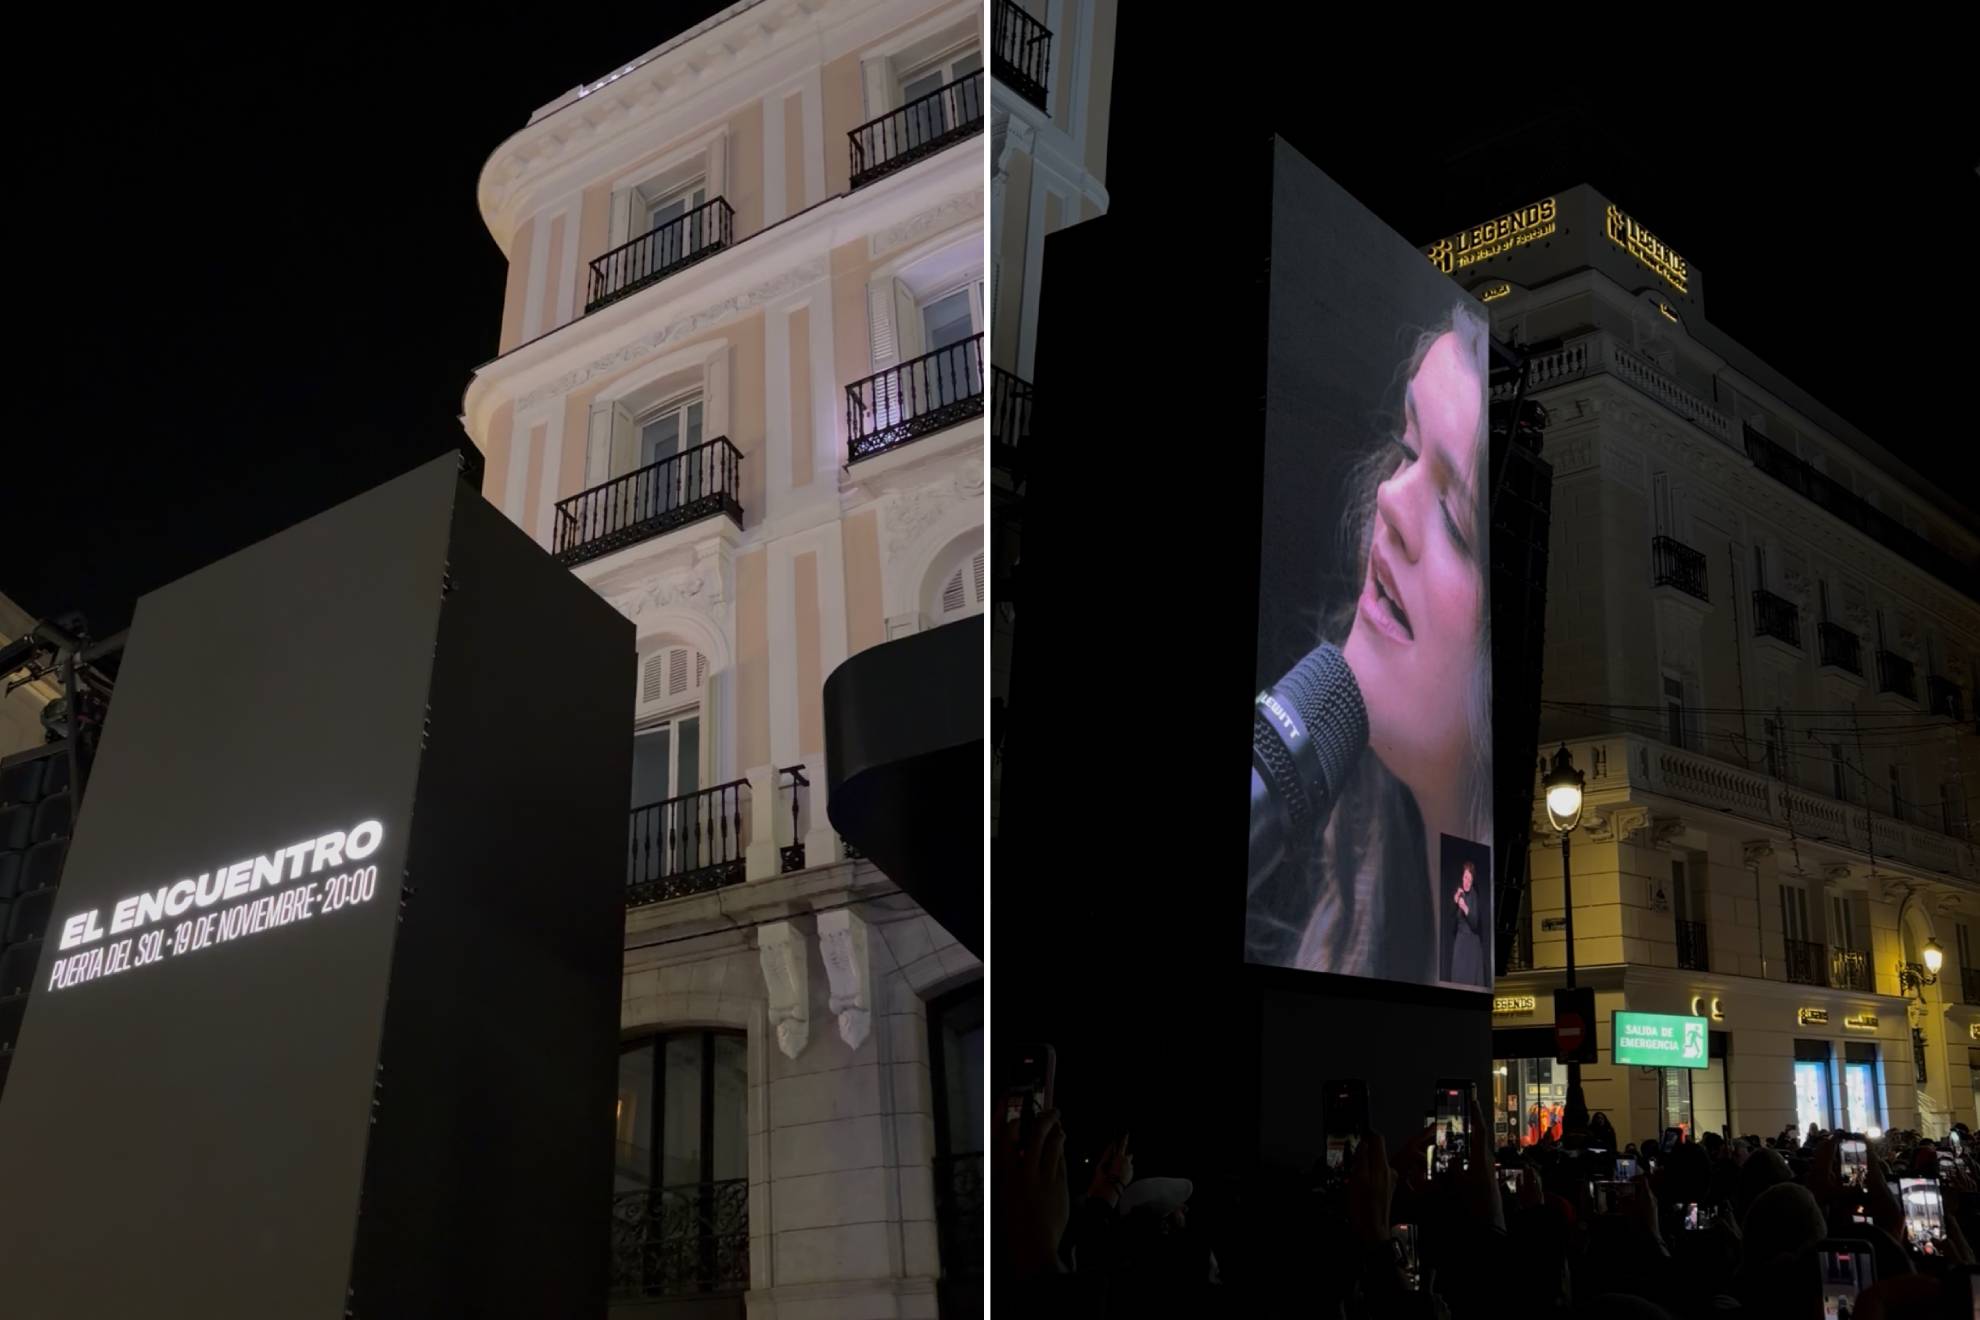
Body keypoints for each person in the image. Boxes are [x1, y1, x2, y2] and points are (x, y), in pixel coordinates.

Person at [1252, 302, 1493, 982]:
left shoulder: (1471, 930)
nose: (1389, 498)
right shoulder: (1393, 899)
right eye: (1408, 449)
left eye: (1454, 517)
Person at [1447, 858, 1485, 984]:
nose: (1467, 882)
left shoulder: (1474, 896)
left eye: (1470, 879)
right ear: (1462, 877)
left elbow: (1475, 923)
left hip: (1471, 944)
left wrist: (1464, 907)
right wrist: (1455, 900)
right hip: (1460, 941)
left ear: (1473, 880)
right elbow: (1450, 915)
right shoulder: (1460, 892)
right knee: (1457, 979)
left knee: (1469, 981)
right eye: (1465, 877)